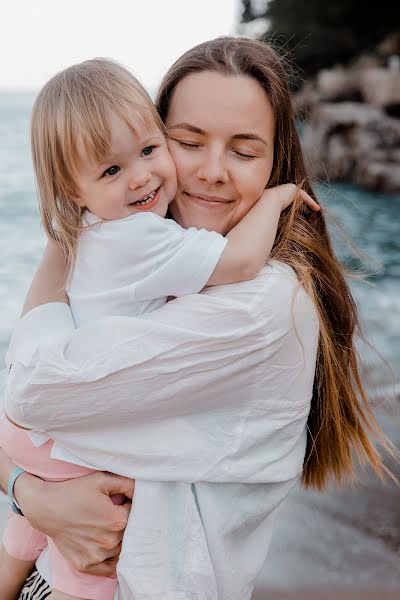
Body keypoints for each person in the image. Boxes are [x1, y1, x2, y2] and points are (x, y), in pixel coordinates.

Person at [0, 36, 394, 600]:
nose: (210, 172)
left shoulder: (259, 309)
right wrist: (28, 493)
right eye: (187, 141)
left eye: (244, 150)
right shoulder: (157, 259)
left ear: (276, 163)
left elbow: (31, 395)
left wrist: (69, 235)